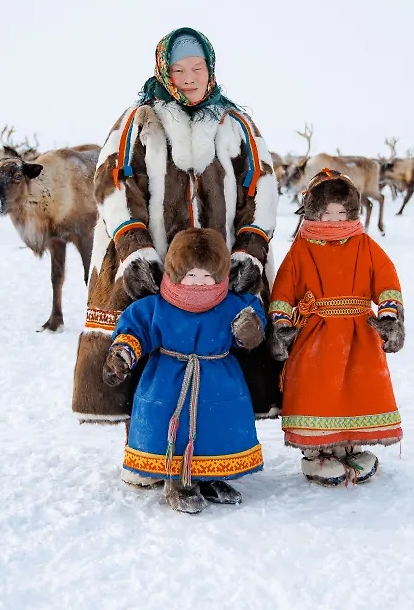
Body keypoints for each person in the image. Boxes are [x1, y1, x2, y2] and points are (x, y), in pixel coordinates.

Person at [71, 27, 281, 502]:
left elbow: (260, 187)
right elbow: (113, 183)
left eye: (197, 69)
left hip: (215, 267)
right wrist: (134, 249)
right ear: (164, 70)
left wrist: (249, 249)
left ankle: (212, 455)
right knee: (144, 349)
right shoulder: (139, 121)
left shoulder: (236, 124)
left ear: (210, 69)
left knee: (219, 359)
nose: (189, 78)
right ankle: (144, 450)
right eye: (180, 70)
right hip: (148, 258)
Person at [102, 228, 266, 513]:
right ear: (176, 273)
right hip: (170, 380)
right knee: (174, 432)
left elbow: (252, 317)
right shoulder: (157, 306)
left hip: (218, 378)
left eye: (208, 277)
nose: (200, 284)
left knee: (215, 429)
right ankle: (176, 483)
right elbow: (135, 328)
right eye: (191, 276)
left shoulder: (230, 303)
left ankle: (209, 477)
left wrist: (249, 329)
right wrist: (123, 354)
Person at [269, 169, 406, 486]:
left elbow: (386, 281)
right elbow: (284, 292)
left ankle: (350, 446)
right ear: (313, 211)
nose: (334, 219)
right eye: (326, 212)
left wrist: (388, 317)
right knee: (319, 390)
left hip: (360, 334)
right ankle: (317, 453)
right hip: (316, 334)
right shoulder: (302, 248)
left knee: (356, 389)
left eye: (341, 212)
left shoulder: (365, 244)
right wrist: (282, 325)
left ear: (352, 212)